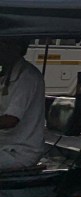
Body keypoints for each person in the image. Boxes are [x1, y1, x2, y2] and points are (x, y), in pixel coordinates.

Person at [0, 37, 46, 172]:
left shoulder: (27, 76)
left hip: (19, 153)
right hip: (5, 146)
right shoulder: (7, 75)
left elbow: (10, 120)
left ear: (16, 48)